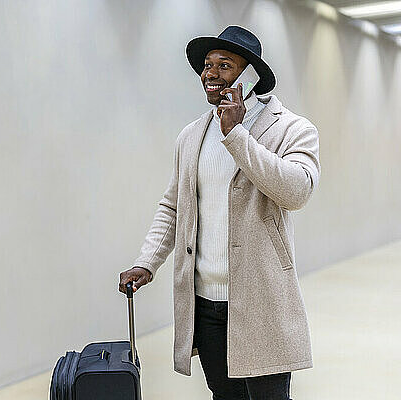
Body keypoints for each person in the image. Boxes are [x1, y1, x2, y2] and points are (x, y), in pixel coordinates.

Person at [118, 25, 320, 399]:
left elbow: (296, 191)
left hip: (261, 300)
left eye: (224, 65)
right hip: (206, 304)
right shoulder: (192, 135)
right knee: (224, 396)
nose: (210, 74)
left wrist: (237, 135)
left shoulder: (293, 129)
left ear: (250, 75)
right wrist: (147, 261)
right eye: (207, 65)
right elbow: (173, 205)